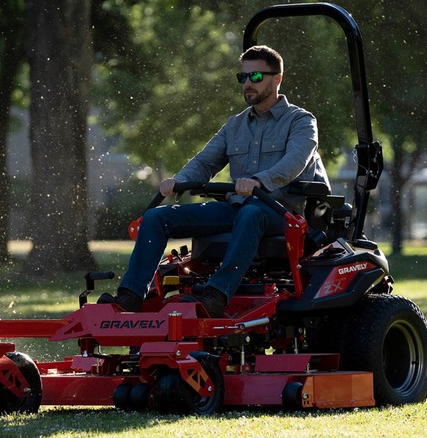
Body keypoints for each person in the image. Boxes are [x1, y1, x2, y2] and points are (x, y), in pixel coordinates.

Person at [99, 45, 330, 317]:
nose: (247, 83)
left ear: (277, 78)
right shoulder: (234, 125)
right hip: (236, 208)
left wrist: (259, 180)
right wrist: (179, 181)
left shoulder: (301, 121)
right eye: (242, 77)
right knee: (156, 217)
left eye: (255, 77)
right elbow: (204, 162)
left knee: (251, 213)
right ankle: (131, 295)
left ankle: (216, 294)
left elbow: (296, 161)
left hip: (279, 213)